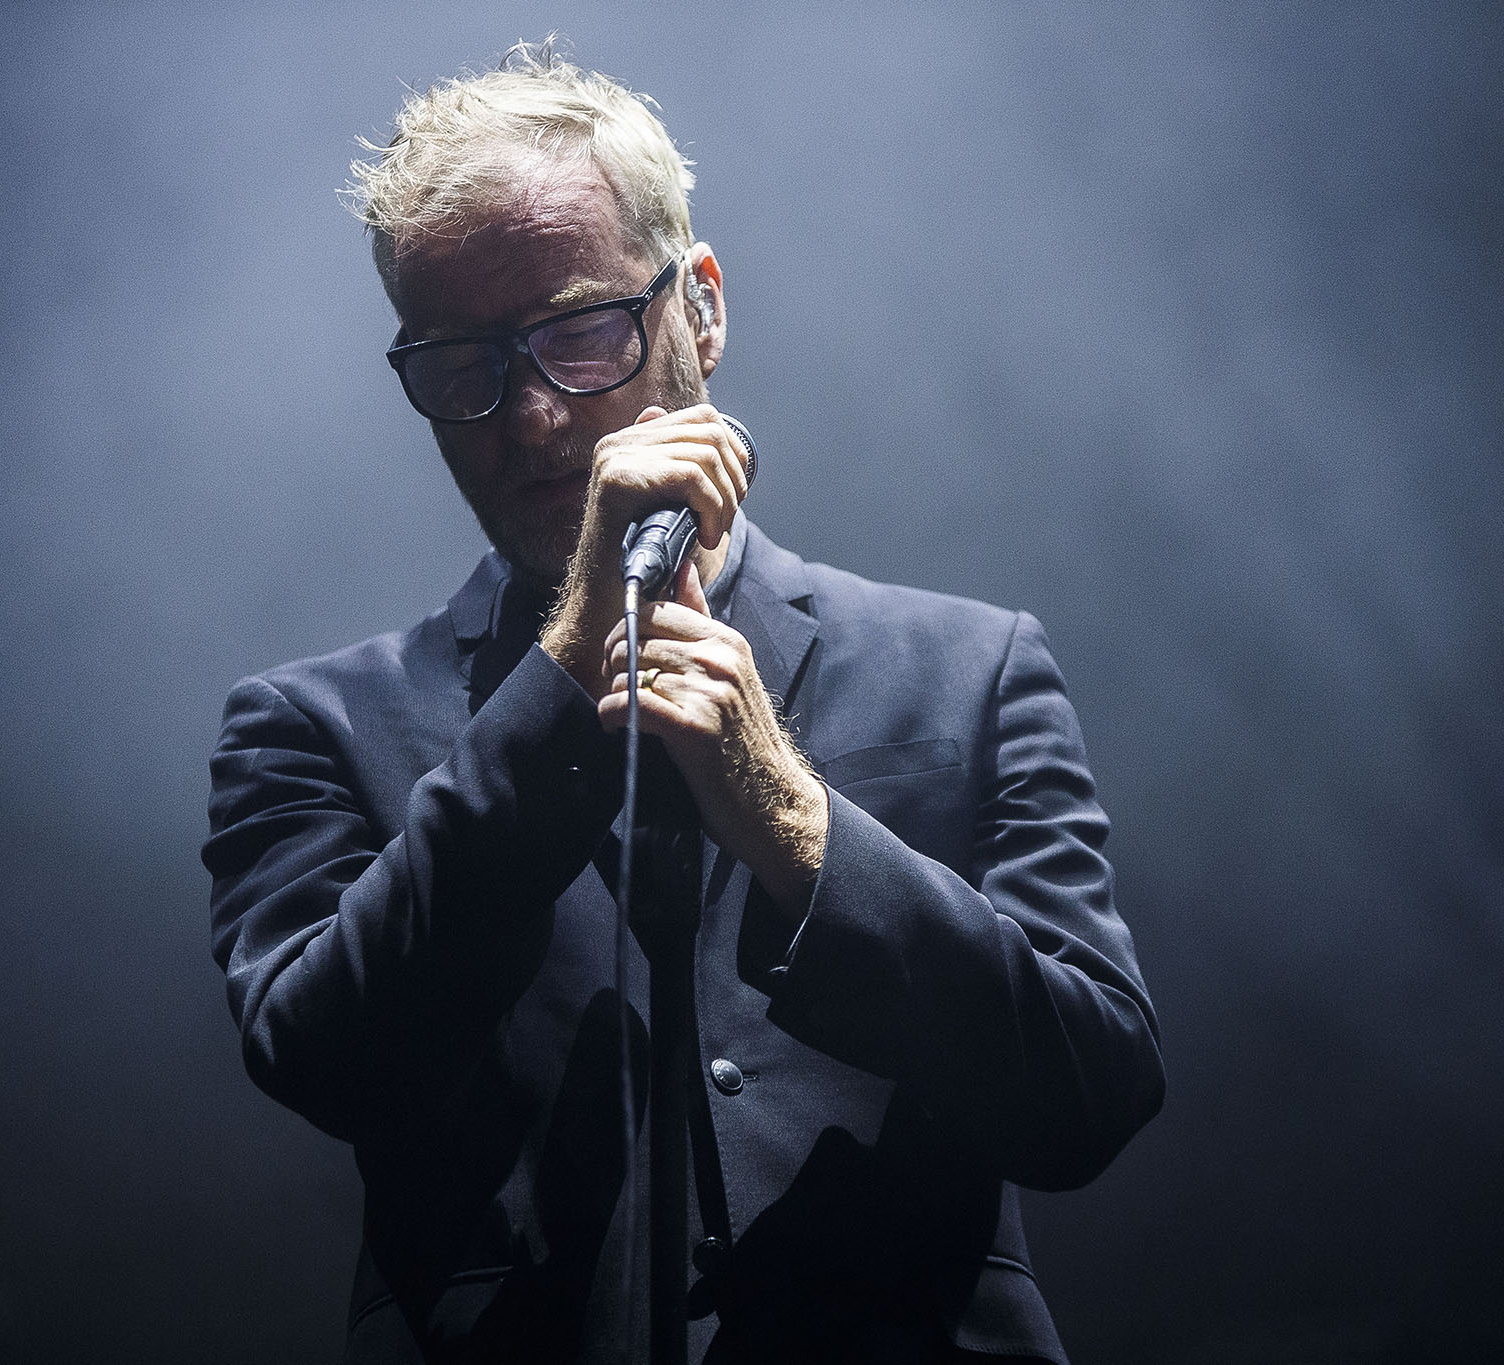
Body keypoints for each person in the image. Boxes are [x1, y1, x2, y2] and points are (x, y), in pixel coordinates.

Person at [203, 42, 1163, 1365]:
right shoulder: (311, 726)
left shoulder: (970, 667)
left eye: (580, 333)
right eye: (462, 367)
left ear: (700, 307)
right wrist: (568, 664)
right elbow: (327, 1058)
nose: (533, 420)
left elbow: (1090, 1092)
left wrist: (794, 820)